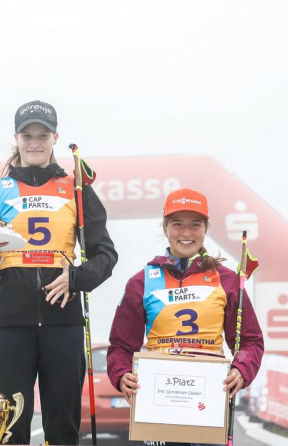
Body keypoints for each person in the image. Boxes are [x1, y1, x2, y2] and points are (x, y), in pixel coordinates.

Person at [0, 100, 118, 445]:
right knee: (12, 425)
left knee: (62, 425)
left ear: (55, 137)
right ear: (16, 138)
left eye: (42, 135)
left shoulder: (76, 189)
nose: (34, 142)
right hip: (10, 324)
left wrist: (75, 278)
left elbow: (106, 254)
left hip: (63, 322)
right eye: (27, 135)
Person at [106, 188, 264, 446]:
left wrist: (241, 369)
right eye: (178, 224)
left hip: (209, 398)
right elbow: (121, 346)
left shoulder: (227, 280)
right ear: (165, 227)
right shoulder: (141, 281)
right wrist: (122, 374)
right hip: (159, 397)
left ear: (206, 228)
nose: (186, 233)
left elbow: (251, 341)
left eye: (195, 224)